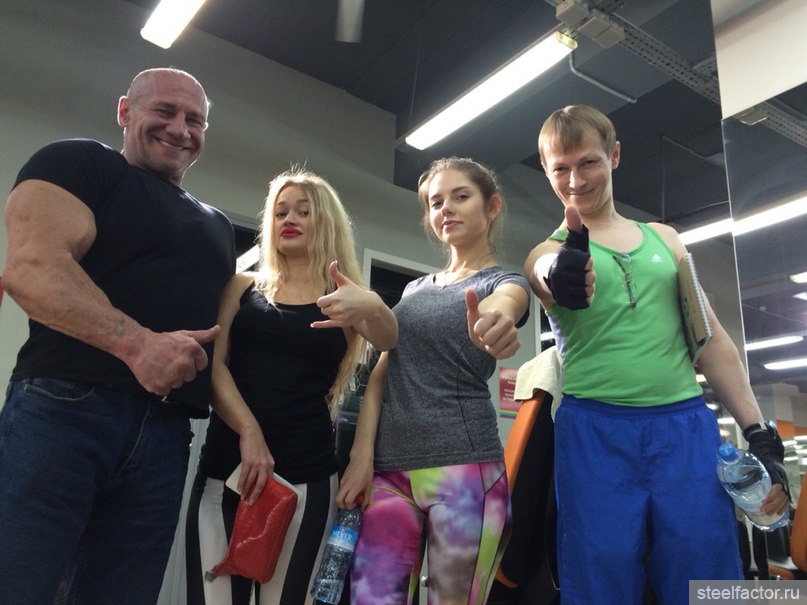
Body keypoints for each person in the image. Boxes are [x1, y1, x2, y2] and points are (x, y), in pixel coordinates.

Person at [523, 104, 789, 604]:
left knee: (706, 571)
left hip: (682, 429)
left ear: (614, 155)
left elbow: (712, 341)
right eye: (561, 168)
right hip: (594, 434)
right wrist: (560, 273)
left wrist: (758, 433)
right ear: (546, 170)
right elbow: (545, 272)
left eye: (588, 162)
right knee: (599, 579)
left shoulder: (665, 240)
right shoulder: (544, 251)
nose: (575, 180)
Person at [0, 68, 235, 604]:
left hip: (168, 434)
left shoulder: (218, 225)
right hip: (65, 410)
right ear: (125, 111)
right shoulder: (79, 163)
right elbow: (33, 268)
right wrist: (138, 345)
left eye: (195, 119)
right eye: (164, 111)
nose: (180, 129)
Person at [185, 168, 397, 605]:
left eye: (303, 211)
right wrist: (249, 431)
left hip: (306, 477)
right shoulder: (241, 287)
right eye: (281, 212)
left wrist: (373, 303)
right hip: (226, 472)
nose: (290, 219)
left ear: (326, 221)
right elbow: (214, 367)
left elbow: (390, 340)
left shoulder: (345, 299)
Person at [337, 157, 531, 604]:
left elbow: (509, 302)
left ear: (492, 206)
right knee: (372, 597)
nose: (446, 209)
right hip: (390, 472)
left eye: (461, 197)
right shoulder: (414, 290)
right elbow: (384, 373)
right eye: (436, 202)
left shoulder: (502, 280)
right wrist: (362, 455)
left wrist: (497, 317)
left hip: (465, 471)